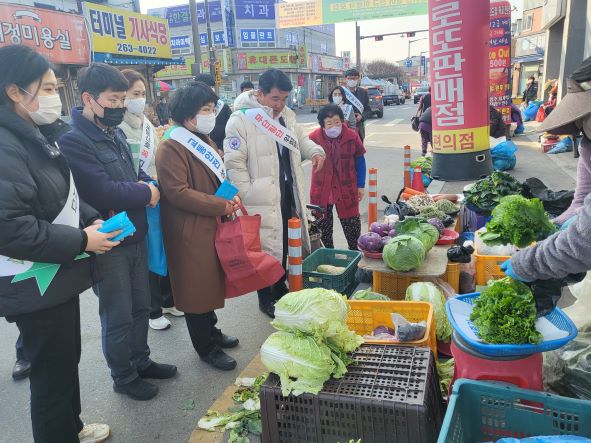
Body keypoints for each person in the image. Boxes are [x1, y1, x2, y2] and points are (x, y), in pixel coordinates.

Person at [0, 45, 115, 443]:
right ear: (15, 92)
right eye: (46, 87)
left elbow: (57, 195)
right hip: (34, 280)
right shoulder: (5, 144)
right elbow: (10, 228)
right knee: (51, 374)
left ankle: (72, 427)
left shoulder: (35, 133)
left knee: (65, 362)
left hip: (54, 273)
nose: (54, 94)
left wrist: (88, 218)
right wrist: (83, 239)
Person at [59, 63, 177, 402]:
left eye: (123, 99)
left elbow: (134, 172)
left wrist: (150, 184)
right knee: (118, 313)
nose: (120, 107)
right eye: (114, 100)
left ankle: (140, 360)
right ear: (88, 99)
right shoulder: (74, 141)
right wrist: (147, 193)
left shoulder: (114, 133)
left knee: (141, 306)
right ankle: (123, 375)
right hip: (108, 242)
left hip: (135, 234)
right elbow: (101, 190)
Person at [224, 68, 326, 318]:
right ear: (260, 94)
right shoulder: (241, 120)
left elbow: (300, 140)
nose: (280, 104)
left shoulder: (287, 116)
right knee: (263, 249)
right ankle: (266, 298)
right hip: (259, 196)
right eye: (275, 99)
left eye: (284, 99)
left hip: (287, 190)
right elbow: (234, 163)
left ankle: (280, 286)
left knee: (283, 242)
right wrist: (246, 192)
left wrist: (315, 151)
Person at [156, 81, 240, 370]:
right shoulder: (171, 146)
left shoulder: (203, 139)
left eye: (212, 109)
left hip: (210, 224)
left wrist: (231, 196)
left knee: (209, 284)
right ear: (188, 113)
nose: (211, 114)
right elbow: (177, 192)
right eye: (205, 109)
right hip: (188, 230)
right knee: (195, 290)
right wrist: (220, 205)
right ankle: (205, 347)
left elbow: (216, 176)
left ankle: (212, 332)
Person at [502, 56, 591, 282]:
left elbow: (585, 240)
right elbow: (581, 200)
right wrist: (556, 226)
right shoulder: (588, 144)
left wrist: (529, 263)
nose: (581, 127)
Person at [118, 69, 183, 332]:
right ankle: (152, 308)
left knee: (161, 250)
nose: (140, 99)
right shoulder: (117, 125)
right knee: (146, 254)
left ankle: (167, 300)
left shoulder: (146, 123)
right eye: (135, 94)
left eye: (143, 94)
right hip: (136, 198)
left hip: (156, 193)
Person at [308, 104, 366, 250]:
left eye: (337, 122)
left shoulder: (352, 137)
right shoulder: (313, 138)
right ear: (322, 125)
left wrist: (361, 185)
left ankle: (355, 262)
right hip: (322, 190)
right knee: (323, 232)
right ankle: (328, 259)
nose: (334, 126)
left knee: (352, 229)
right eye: (329, 123)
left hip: (346, 189)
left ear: (342, 121)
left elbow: (360, 161)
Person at [194, 73, 231, 151]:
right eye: (207, 86)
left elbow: (231, 131)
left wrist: (221, 148)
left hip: (219, 152)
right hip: (198, 150)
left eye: (212, 86)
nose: (210, 89)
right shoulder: (191, 107)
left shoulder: (223, 107)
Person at [343, 68, 372, 141]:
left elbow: (368, 110)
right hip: (344, 129)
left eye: (354, 78)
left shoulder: (363, 92)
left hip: (359, 129)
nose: (352, 80)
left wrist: (361, 117)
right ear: (345, 79)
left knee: (359, 151)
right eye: (349, 78)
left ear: (358, 79)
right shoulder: (340, 92)